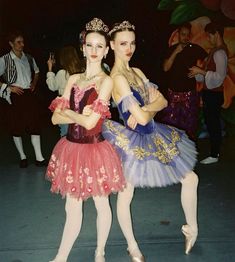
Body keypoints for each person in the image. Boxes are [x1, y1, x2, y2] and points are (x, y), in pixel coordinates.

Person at [102, 21, 199, 260]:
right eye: (123, 43)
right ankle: (132, 246)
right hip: (131, 141)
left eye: (132, 43)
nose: (129, 48)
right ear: (112, 45)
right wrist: (151, 107)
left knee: (191, 178)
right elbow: (146, 114)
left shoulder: (137, 73)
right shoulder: (116, 79)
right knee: (125, 194)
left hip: (154, 133)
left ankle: (192, 229)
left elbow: (162, 103)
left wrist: (149, 108)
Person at [46, 18, 126, 262]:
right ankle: (61, 257)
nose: (93, 51)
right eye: (89, 45)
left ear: (105, 50)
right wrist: (76, 115)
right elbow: (54, 120)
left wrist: (69, 113)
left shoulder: (106, 81)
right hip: (70, 149)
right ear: (82, 47)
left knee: (102, 204)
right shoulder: (72, 79)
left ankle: (99, 251)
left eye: (99, 46)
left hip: (95, 150)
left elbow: (91, 124)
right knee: (72, 207)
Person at [0, 30, 47, 168]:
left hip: (28, 95)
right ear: (11, 44)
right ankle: (23, 156)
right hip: (14, 96)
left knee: (34, 125)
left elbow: (37, 72)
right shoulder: (4, 60)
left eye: (23, 42)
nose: (22, 45)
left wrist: (34, 82)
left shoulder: (29, 58)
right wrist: (9, 87)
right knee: (16, 126)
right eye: (18, 42)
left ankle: (39, 158)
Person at [189, 22, 228, 164]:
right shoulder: (215, 51)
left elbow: (219, 77)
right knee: (212, 123)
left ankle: (214, 154)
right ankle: (214, 152)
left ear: (216, 33)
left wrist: (200, 72)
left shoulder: (220, 52)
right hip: (210, 94)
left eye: (210, 36)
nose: (209, 39)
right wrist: (198, 73)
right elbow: (208, 76)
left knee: (213, 124)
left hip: (214, 94)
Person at [161, 23, 207, 141]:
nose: (185, 37)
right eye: (183, 34)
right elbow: (165, 68)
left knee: (189, 126)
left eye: (188, 35)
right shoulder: (172, 49)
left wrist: (200, 70)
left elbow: (209, 61)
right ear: (178, 34)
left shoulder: (195, 48)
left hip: (189, 93)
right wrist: (176, 51)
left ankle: (189, 152)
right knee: (171, 126)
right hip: (173, 93)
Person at [46, 45, 84, 136]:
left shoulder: (62, 73)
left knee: (65, 134)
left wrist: (50, 68)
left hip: (65, 107)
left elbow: (52, 86)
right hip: (79, 106)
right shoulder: (82, 71)